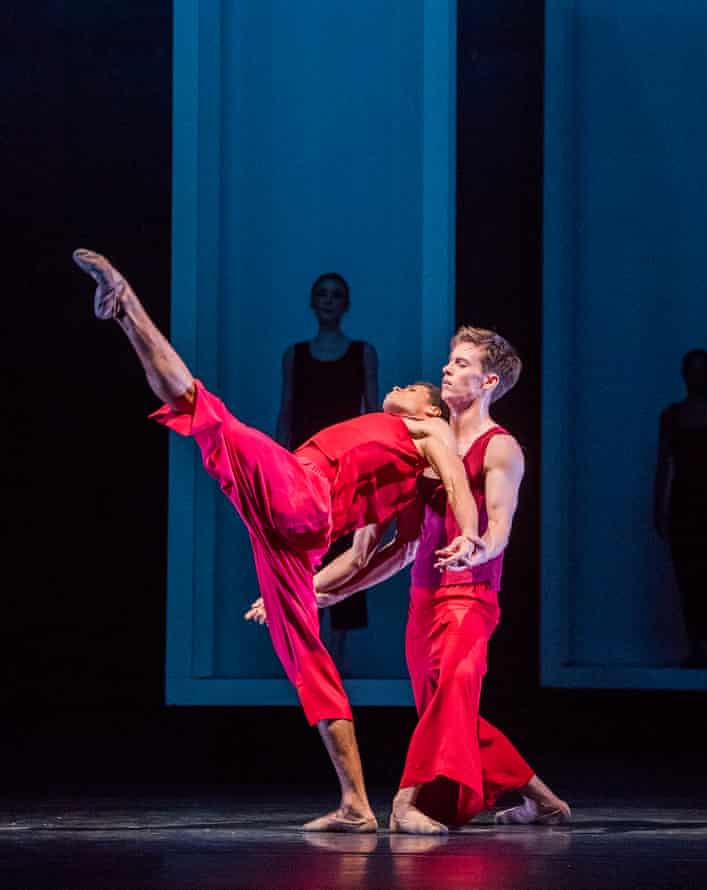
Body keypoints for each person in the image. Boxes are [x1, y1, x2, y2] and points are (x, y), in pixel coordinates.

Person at [73, 248, 486, 833]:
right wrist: (312, 593)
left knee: (203, 411)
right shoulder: (394, 472)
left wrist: (468, 534)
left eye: (413, 387)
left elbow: (450, 484)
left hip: (301, 491)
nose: (400, 386)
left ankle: (124, 304)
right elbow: (372, 555)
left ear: (430, 407)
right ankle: (357, 805)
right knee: (306, 659)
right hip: (294, 535)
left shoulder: (427, 428)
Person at [249, 327, 570, 834]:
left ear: (488, 381)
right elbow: (393, 553)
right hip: (423, 604)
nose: (447, 368)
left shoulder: (500, 448)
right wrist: (312, 591)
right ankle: (545, 802)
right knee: (448, 712)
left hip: (470, 597)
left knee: (452, 696)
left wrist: (478, 545)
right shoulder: (420, 448)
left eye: (462, 364)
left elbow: (501, 526)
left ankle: (404, 803)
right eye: (450, 360)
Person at [275, 272, 379, 670]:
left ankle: (338, 661)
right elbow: (286, 411)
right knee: (305, 555)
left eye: (337, 295)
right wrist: (276, 467)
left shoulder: (362, 352)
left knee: (346, 553)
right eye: (323, 294)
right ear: (312, 302)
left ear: (346, 303)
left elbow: (372, 412)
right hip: (304, 468)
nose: (329, 301)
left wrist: (373, 469)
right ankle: (310, 660)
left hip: (347, 469)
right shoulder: (295, 355)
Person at [654, 348, 707, 667]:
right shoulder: (672, 417)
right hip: (684, 505)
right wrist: (659, 508)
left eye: (702, 370)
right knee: (687, 576)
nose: (697, 376)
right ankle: (696, 644)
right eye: (693, 370)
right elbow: (663, 464)